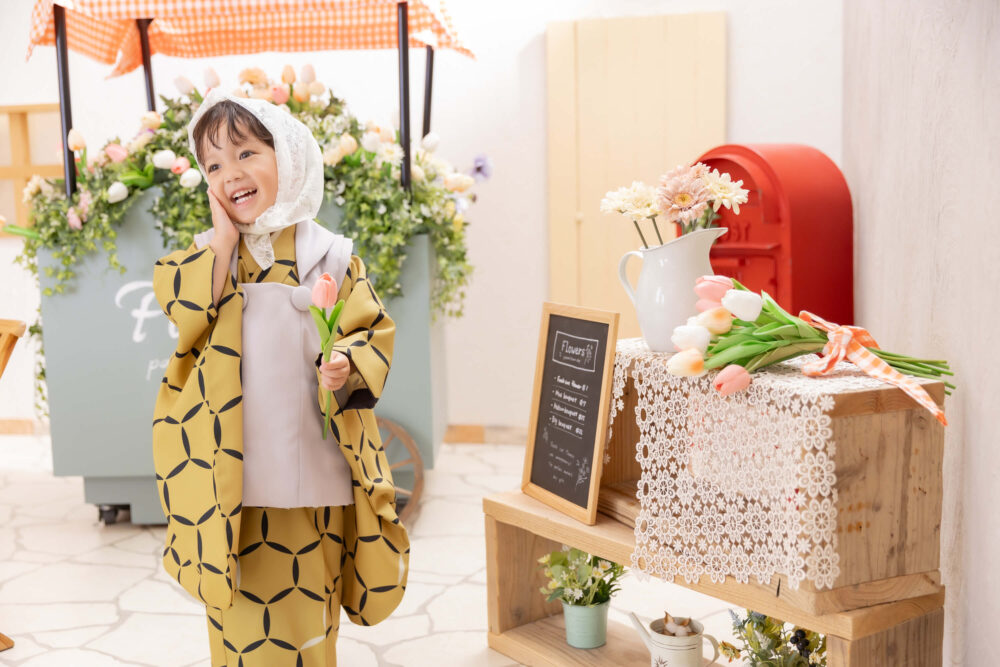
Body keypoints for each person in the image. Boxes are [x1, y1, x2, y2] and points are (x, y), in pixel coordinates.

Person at [152, 88, 409, 666]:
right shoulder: (208, 258)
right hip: (231, 476)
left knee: (309, 607)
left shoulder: (331, 256)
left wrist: (345, 363)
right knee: (239, 611)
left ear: (286, 159)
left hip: (313, 467)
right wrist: (222, 244)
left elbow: (371, 329)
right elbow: (183, 310)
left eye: (246, 153)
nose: (231, 174)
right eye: (213, 165)